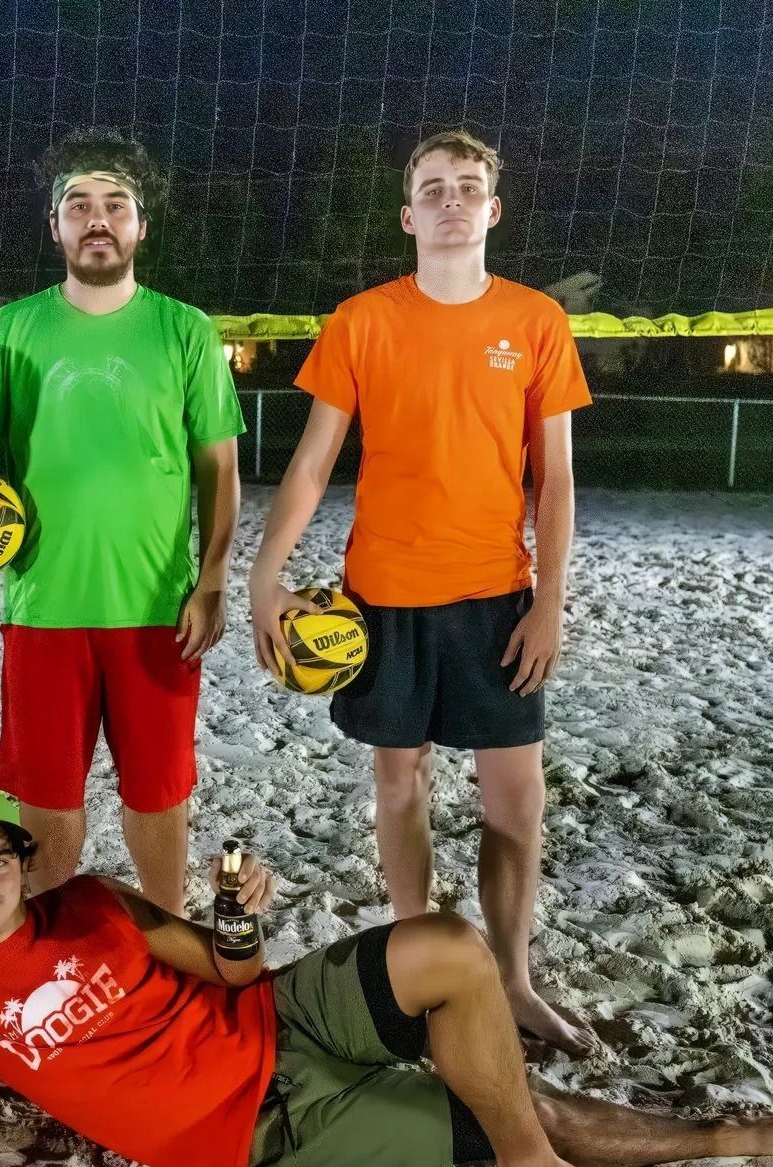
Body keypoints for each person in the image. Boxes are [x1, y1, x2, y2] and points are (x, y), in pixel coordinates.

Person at [0, 784, 773, 1167]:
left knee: (453, 947)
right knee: (524, 1109)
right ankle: (725, 1138)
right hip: (253, 1126)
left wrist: (239, 914)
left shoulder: (92, 899)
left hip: (276, 1016)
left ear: (24, 864)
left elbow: (233, 969)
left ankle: (527, 1166)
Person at [247, 129, 596, 1053]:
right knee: (400, 785)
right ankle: (418, 966)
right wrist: (265, 574)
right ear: (407, 215)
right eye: (433, 188)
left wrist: (552, 601)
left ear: (493, 209)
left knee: (514, 802)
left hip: (496, 598)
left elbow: (554, 480)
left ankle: (513, 981)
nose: (450, 199)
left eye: (468, 186)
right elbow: (314, 462)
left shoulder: (535, 321)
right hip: (384, 599)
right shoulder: (363, 319)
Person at [0, 128, 244, 915]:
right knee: (47, 798)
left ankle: (170, 932)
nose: (97, 218)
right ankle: (51, 941)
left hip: (157, 607)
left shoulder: (185, 330)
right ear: (54, 226)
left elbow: (219, 467)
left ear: (140, 227)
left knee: (157, 793)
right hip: (44, 606)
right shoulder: (11, 332)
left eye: (115, 204)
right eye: (78, 204)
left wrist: (214, 578)